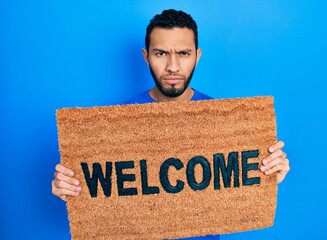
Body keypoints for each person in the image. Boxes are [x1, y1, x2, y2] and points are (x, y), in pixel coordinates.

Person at [52, 9, 290, 240]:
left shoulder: (226, 120)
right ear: (146, 57)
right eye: (161, 53)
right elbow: (104, 195)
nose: (173, 67)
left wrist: (268, 175)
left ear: (198, 55)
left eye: (184, 54)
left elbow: (238, 182)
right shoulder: (118, 122)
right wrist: (72, 189)